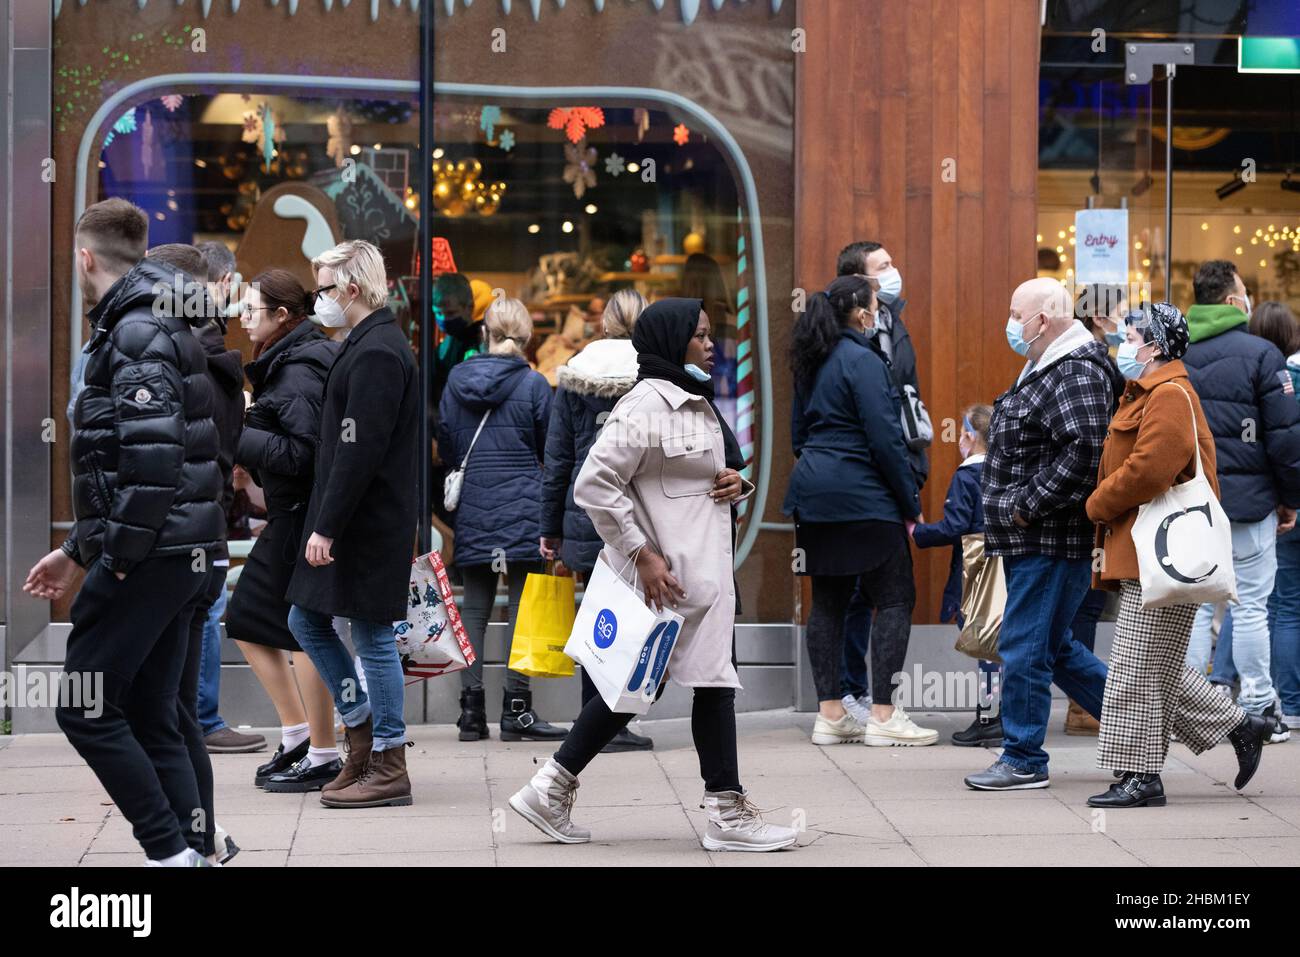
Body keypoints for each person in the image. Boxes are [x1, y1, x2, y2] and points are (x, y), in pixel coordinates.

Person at [509, 298, 797, 852]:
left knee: (654, 686)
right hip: (669, 583)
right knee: (685, 685)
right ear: (672, 341)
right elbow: (592, 485)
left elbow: (710, 475)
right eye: (702, 335)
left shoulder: (696, 401)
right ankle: (725, 812)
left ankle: (553, 786)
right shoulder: (644, 406)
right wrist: (642, 554)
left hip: (699, 580)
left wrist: (739, 484)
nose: (712, 345)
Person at [25, 198, 223, 865]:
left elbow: (153, 461)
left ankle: (170, 852)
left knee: (83, 705)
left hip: (153, 551)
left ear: (86, 257)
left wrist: (111, 561)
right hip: (172, 546)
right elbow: (134, 460)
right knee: (150, 713)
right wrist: (77, 548)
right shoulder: (148, 321)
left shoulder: (137, 328)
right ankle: (190, 849)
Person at [1084, 302, 1273, 807]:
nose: (1123, 343)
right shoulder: (1151, 391)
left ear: (1155, 344)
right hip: (1150, 556)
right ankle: (1242, 726)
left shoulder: (1168, 393)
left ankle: (1141, 777)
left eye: (1130, 335)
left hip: (1162, 557)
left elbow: (1150, 470)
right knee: (1156, 667)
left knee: (1133, 668)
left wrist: (1098, 503)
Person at [965, 277, 1121, 791]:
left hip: (1048, 538)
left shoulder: (1072, 368)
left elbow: (1083, 450)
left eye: (1016, 313)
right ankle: (1139, 728)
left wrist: (1024, 507)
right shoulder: (1047, 363)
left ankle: (1024, 757)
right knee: (1055, 649)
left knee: (1026, 646)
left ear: (1044, 319)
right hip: (1038, 537)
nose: (1009, 323)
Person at [285, 240, 420, 809]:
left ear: (353, 288)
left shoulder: (377, 351)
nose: (319, 298)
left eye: (323, 287)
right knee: (307, 620)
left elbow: (358, 450)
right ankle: (362, 735)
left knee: (370, 634)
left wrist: (328, 526)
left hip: (367, 521)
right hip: (359, 517)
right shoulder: (367, 344)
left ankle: (387, 758)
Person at [782, 275, 933, 748]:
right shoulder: (864, 361)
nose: (879, 314)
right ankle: (884, 717)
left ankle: (830, 715)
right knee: (893, 598)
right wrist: (911, 500)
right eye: (876, 307)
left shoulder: (811, 359)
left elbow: (797, 437)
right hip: (865, 497)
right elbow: (886, 439)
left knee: (827, 601)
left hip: (814, 494)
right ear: (864, 314)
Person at [143, 242, 250, 862]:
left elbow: (166, 463)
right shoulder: (210, 359)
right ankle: (200, 838)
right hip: (199, 539)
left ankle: (188, 843)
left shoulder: (188, 360)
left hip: (180, 544)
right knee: (174, 707)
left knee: (152, 708)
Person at [227, 269, 344, 792]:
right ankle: (303, 739)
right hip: (294, 514)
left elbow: (303, 455)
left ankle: (321, 750)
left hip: (300, 516)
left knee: (297, 627)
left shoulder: (297, 367)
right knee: (261, 620)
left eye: (251, 308)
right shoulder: (289, 360)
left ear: (281, 316)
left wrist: (241, 433)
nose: (242, 317)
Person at [437, 296, 568, 742]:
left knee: (472, 606)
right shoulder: (533, 385)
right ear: (526, 337)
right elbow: (549, 449)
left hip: (475, 504)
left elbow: (449, 443)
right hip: (524, 507)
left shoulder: (456, 380)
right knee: (521, 607)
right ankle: (517, 709)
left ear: (484, 334)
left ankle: (470, 713)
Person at [1181, 260, 1300, 743]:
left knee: (1195, 605)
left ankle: (1188, 705)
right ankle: (1257, 707)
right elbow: (1285, 439)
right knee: (1251, 606)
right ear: (1233, 301)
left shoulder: (1176, 354)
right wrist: (1289, 499)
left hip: (1189, 505)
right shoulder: (1262, 355)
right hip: (1249, 508)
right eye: (1244, 290)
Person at [540, 288, 654, 752]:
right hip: (641, 511)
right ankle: (617, 719)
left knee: (598, 617)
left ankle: (594, 720)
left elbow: (558, 461)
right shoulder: (653, 375)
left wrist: (550, 529)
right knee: (635, 619)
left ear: (604, 323)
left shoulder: (575, 376)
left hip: (585, 513)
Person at [834, 241, 931, 724]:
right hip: (865, 480)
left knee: (876, 593)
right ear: (861, 283)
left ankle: (870, 702)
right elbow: (875, 415)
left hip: (892, 471)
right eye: (884, 267)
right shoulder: (846, 339)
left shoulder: (894, 322)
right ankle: (857, 697)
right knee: (857, 593)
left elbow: (905, 397)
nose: (895, 273)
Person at [910, 405, 1000, 747]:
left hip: (975, 570)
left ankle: (989, 718)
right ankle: (997, 714)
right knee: (999, 643)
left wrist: (918, 532)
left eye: (963, 433)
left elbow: (955, 526)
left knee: (984, 646)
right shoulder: (1003, 470)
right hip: (1004, 565)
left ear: (971, 436)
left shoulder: (966, 476)